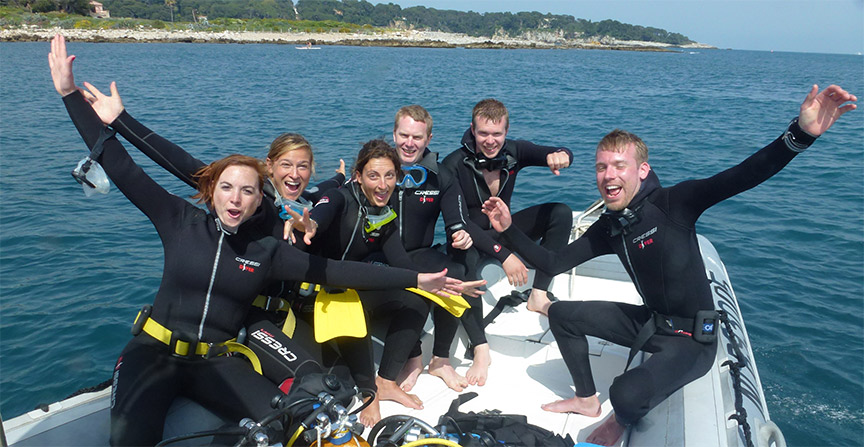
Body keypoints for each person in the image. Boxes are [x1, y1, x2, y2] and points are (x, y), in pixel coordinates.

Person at [49, 34, 465, 445]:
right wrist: (74, 98)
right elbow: (125, 168)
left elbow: (337, 270)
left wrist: (418, 280)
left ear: (256, 199)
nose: (236, 198)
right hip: (153, 353)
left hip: (217, 358)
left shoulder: (267, 250)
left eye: (247, 192)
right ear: (212, 190)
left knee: (291, 419)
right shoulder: (179, 221)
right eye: (227, 188)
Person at [481, 84, 857, 446]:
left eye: (619, 166)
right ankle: (586, 399)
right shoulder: (611, 226)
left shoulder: (676, 204)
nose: (608, 175)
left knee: (625, 396)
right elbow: (553, 261)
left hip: (692, 340)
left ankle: (616, 414)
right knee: (561, 314)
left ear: (642, 171)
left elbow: (744, 174)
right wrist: (508, 229)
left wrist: (799, 135)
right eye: (600, 167)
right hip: (651, 322)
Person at [70, 68, 346, 341]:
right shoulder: (256, 203)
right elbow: (181, 163)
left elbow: (325, 191)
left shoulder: (306, 203)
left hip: (288, 310)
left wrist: (339, 179)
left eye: (303, 167)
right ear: (270, 166)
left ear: (311, 169)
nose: (295, 174)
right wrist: (121, 120)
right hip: (250, 317)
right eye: (286, 165)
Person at [297, 139, 485, 426]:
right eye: (373, 176)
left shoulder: (384, 215)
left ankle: (385, 381)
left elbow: (404, 267)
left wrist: (449, 285)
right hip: (320, 295)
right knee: (356, 312)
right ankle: (369, 391)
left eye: (389, 176)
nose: (382, 184)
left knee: (417, 299)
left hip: (355, 287)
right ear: (358, 176)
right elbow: (321, 214)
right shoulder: (340, 198)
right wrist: (312, 225)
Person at [387, 105, 493, 392]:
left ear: (429, 139)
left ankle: (440, 359)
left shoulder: (441, 176)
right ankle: (413, 357)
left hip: (417, 252)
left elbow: (457, 221)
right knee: (407, 291)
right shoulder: (379, 170)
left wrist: (461, 235)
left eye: (417, 137)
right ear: (394, 134)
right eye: (404, 135)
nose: (409, 143)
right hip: (380, 255)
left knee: (454, 271)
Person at [441, 98, 574, 316]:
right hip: (469, 239)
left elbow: (559, 151)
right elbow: (460, 222)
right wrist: (504, 255)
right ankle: (477, 334)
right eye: (483, 133)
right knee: (465, 262)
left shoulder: (514, 151)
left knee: (560, 213)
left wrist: (562, 155)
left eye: (497, 134)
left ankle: (539, 294)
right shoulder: (453, 164)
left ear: (506, 130)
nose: (490, 141)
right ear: (472, 130)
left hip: (503, 231)